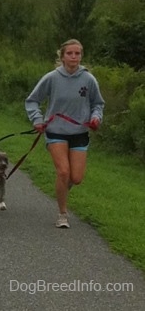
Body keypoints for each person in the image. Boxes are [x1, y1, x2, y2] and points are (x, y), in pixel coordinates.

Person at [25, 39, 105, 228]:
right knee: (63, 171)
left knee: (75, 178)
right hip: (56, 131)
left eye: (77, 54)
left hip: (79, 132)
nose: (74, 57)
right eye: (70, 53)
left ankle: (63, 188)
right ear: (62, 56)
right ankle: (62, 214)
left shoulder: (89, 79)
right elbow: (32, 100)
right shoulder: (52, 78)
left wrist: (96, 118)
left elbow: (98, 104)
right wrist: (37, 120)